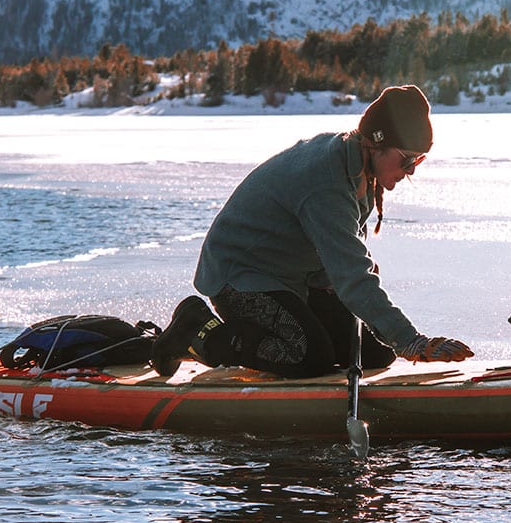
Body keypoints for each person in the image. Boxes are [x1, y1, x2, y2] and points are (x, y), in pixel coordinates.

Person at [151, 85, 474, 378]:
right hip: (240, 276)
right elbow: (352, 278)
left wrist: (394, 335)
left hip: (293, 276)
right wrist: (411, 341)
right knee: (309, 356)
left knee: (376, 353)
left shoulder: (360, 168)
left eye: (418, 161)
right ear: (377, 143)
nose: (410, 171)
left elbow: (340, 263)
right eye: (406, 160)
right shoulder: (326, 183)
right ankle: (200, 333)